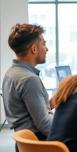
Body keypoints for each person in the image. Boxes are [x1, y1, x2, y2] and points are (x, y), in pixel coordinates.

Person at [2, 23, 53, 152]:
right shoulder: (29, 79)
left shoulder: (10, 73)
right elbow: (45, 125)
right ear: (34, 49)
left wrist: (52, 102)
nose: (47, 49)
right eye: (44, 44)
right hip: (40, 143)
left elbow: (26, 111)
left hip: (25, 144)